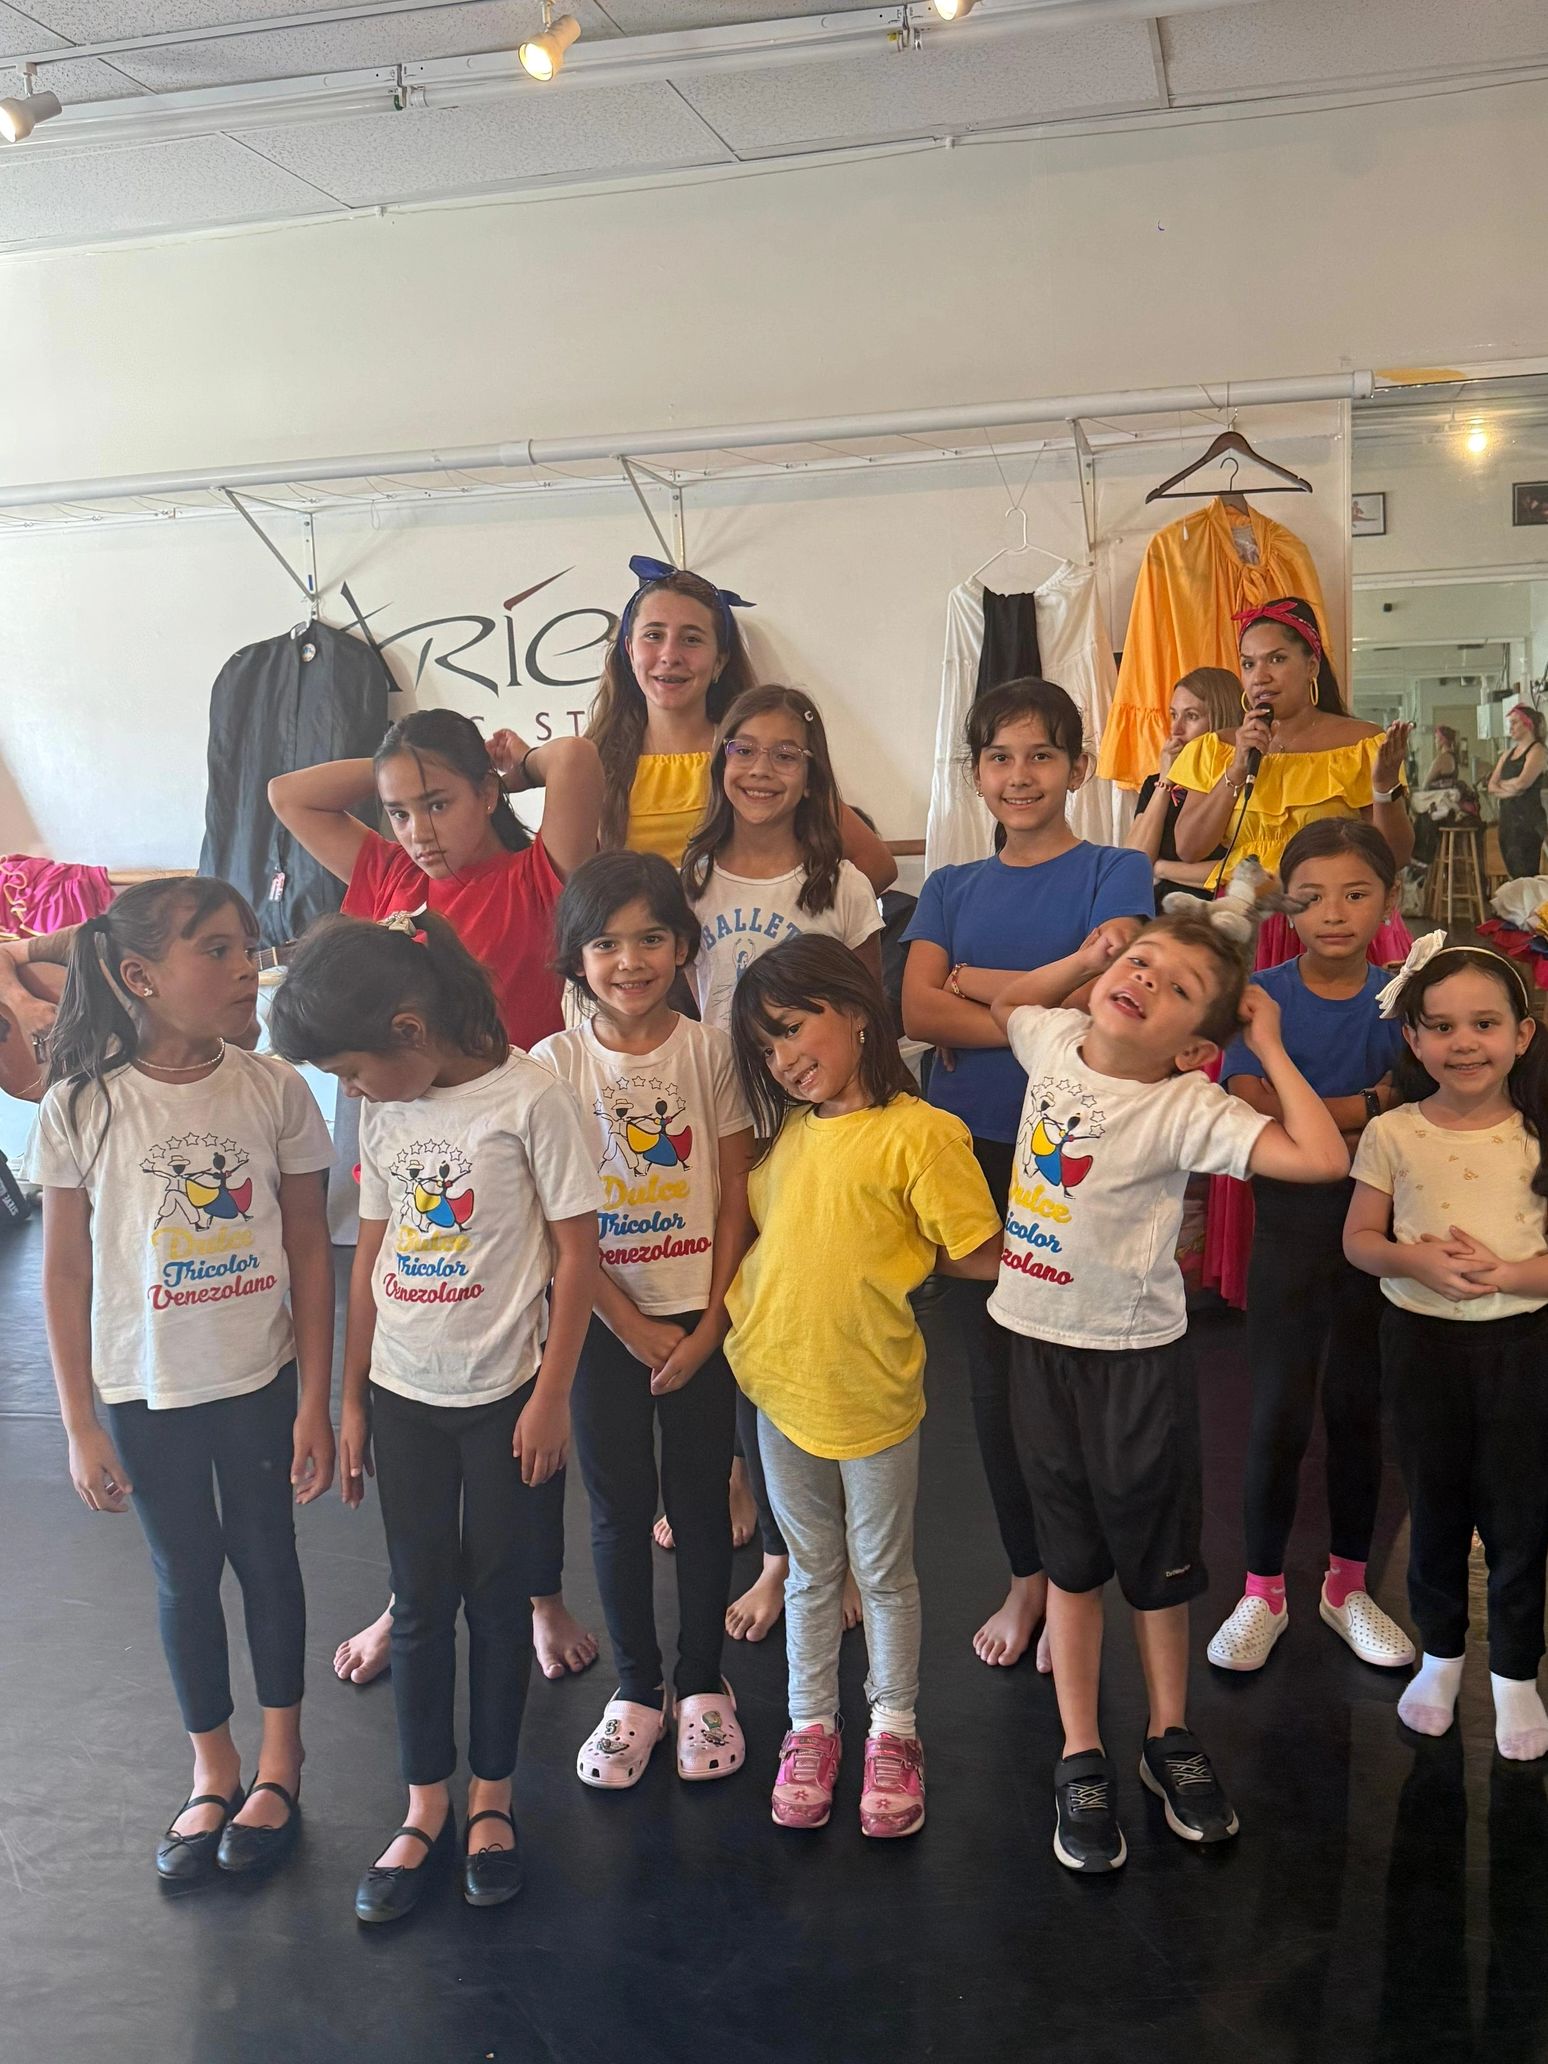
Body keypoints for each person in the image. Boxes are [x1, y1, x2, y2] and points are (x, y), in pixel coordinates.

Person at [986, 905, 1348, 1871]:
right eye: (1141, 961)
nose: (1143, 978)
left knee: (1156, 1565)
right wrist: (1081, 952)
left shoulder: (1189, 1106)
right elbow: (1010, 1003)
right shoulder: (1055, 1041)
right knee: (1069, 1563)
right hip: (1034, 1345)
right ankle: (1080, 1751)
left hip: (1133, 1360)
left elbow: (1323, 1158)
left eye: (1177, 987)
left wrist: (1268, 1044)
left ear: (1195, 1047)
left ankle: (1169, 1736)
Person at [267, 912, 599, 1919]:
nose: (354, 1092)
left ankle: (492, 1797)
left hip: (504, 1404)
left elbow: (577, 1257)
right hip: (404, 1400)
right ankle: (424, 1804)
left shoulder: (531, 1100)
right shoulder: (388, 1110)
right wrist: (351, 1397)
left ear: (410, 1030)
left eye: (354, 1072)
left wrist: (551, 1397)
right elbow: (370, 1257)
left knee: (496, 1604)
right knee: (417, 1605)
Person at [269, 707, 603, 1686]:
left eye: (440, 804)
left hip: (516, 1160)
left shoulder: (537, 873)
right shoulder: (387, 874)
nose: (419, 829)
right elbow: (290, 796)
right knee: (420, 1419)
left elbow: (578, 759)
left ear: (487, 794)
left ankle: (540, 1592)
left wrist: (511, 760)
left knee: (525, 1405)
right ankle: (405, 1598)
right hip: (411, 1149)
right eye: (399, 811)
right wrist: (400, 766)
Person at [35, 877, 335, 1885]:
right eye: (216, 949)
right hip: (143, 1391)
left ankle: (281, 1761)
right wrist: (79, 1423)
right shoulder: (82, 1105)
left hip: (257, 1378)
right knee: (184, 1575)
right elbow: (65, 1272)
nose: (246, 965)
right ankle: (213, 1767)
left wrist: (316, 1401)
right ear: (139, 976)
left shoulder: (275, 1089)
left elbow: (309, 1247)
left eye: (248, 946)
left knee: (268, 1560)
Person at [901, 678, 1153, 1672]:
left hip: (1077, 1151)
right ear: (976, 775)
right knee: (996, 1379)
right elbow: (916, 1011)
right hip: (970, 1148)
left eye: (1041, 754)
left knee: (1076, 1372)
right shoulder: (951, 886)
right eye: (999, 757)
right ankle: (1028, 1575)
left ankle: (1080, 1581)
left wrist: (975, 988)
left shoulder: (1116, 869)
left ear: (1078, 767)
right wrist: (1045, 993)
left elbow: (1111, 1005)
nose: (1019, 775)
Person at [725, 938, 1002, 1837]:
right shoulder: (785, 1137)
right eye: (766, 1046)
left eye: (792, 1028)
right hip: (779, 1387)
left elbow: (976, 1251)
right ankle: (811, 1725)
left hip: (872, 1396)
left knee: (881, 1574)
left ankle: (895, 1729)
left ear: (854, 1012)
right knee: (811, 1572)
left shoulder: (922, 1132)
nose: (783, 1058)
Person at [533, 853, 755, 1788]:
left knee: (700, 1506)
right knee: (619, 1510)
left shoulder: (713, 1051)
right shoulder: (552, 1066)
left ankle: (702, 1680)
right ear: (576, 957)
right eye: (606, 943)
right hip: (601, 1326)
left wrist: (709, 1327)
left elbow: (736, 1197)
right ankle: (636, 1689)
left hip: (702, 1316)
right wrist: (626, 1325)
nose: (630, 961)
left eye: (651, 938)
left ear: (683, 946)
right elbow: (556, 1222)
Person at [679, 684, 885, 1643]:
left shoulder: (840, 885)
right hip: (720, 1132)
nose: (761, 770)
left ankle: (817, 1546)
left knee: (812, 1331)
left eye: (786, 755)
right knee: (737, 1315)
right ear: (720, 758)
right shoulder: (688, 878)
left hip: (810, 1137)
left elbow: (870, 1015)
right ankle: (765, 1516)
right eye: (744, 749)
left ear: (813, 773)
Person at [1207, 822, 1415, 1674]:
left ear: (1388, 902)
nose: (1335, 913)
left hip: (1380, 1236)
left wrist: (1315, 1114)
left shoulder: (1402, 1000)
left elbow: (1411, 1111)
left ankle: (1347, 1586)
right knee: (1277, 1414)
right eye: (1315, 896)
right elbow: (1250, 1105)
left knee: (1360, 1411)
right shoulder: (1258, 995)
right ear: (1287, 906)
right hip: (1289, 1234)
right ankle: (1261, 1591)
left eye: (1356, 894)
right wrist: (1368, 1104)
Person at [1345, 935, 1548, 1763]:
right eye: (1442, 1026)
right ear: (1415, 1038)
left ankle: (1516, 1672)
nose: (1464, 1043)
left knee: (1521, 1511)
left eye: (1484, 1024)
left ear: (1521, 1034)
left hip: (1525, 1347)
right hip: (1420, 1345)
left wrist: (1508, 1274)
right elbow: (1360, 1240)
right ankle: (1440, 1654)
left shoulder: (1537, 1134)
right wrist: (1413, 1260)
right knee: (1434, 1505)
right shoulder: (1394, 1132)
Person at [589, 555, 897, 891]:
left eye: (691, 639)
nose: (670, 655)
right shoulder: (593, 763)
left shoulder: (753, 756)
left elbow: (876, 863)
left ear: (720, 660)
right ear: (629, 649)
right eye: (653, 635)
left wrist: (796, 910)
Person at [1171, 596, 1415, 893]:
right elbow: (1189, 849)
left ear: (1311, 666)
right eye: (1248, 664)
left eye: (1277, 659)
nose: (1260, 677)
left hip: (1329, 909)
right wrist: (1236, 770)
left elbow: (1395, 857)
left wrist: (1385, 789)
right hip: (1245, 911)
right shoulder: (1215, 748)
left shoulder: (1360, 744)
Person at [1125, 667, 1241, 898]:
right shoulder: (1156, 783)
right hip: (1158, 907)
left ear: (1221, 720)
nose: (1176, 730)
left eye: (1192, 716)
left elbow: (1240, 869)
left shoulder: (1236, 782)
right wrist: (1165, 781)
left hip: (1218, 907)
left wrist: (1161, 868)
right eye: (1173, 715)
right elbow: (1133, 865)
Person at [1486, 702, 1547, 882]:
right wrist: (1512, 789)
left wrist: (1504, 786)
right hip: (1507, 821)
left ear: (1528, 725)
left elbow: (1523, 783)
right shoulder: (1507, 754)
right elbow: (1491, 786)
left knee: (1526, 874)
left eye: (1515, 723)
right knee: (1512, 873)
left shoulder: (1537, 750)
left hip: (1528, 822)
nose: (1510, 728)